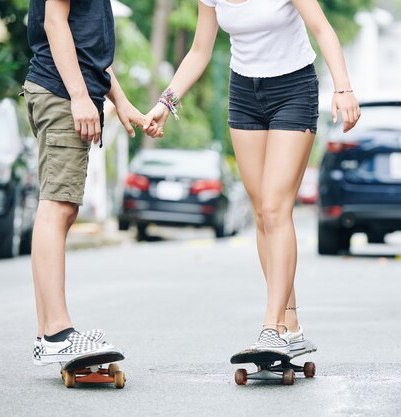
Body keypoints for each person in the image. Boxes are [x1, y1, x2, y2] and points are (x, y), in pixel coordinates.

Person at [143, 0, 360, 353]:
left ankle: (271, 328)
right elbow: (199, 50)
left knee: (276, 209)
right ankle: (290, 326)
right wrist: (166, 103)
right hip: (244, 93)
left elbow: (321, 28)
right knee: (262, 214)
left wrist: (343, 87)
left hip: (294, 90)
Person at [23, 0, 155, 364]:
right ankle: (56, 333)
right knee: (57, 207)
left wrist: (121, 101)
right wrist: (80, 97)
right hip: (62, 92)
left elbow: (89, 50)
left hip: (64, 89)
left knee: (59, 210)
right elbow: (54, 21)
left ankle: (46, 332)